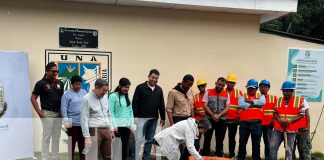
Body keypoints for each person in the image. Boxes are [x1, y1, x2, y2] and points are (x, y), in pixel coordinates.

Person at [30, 62, 64, 160]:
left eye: (57, 71)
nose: (55, 73)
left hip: (58, 114)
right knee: (46, 138)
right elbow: (33, 98)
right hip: (47, 113)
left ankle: (55, 157)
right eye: (53, 71)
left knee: (56, 138)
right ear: (47, 71)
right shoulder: (40, 83)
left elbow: (62, 99)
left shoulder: (60, 83)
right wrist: (39, 112)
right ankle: (44, 158)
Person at [132, 69, 165, 160]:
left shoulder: (159, 89)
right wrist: (135, 116)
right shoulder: (140, 87)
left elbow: (161, 104)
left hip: (153, 119)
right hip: (141, 119)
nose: (154, 79)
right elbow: (135, 102)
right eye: (153, 77)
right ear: (148, 76)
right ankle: (135, 157)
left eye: (156, 78)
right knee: (139, 139)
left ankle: (146, 157)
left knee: (149, 140)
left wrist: (163, 117)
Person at [270, 81, 307, 160]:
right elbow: (274, 112)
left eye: (288, 91)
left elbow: (302, 114)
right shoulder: (279, 100)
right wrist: (279, 120)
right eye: (284, 91)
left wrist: (289, 121)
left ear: (292, 91)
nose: (285, 93)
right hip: (278, 129)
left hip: (291, 130)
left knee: (289, 151)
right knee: (272, 147)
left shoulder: (299, 100)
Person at [80, 79, 115, 160]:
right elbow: (84, 119)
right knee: (92, 156)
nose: (105, 92)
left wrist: (111, 129)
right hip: (94, 130)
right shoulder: (86, 99)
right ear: (96, 87)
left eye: (106, 91)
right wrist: (87, 137)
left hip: (107, 130)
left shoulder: (105, 96)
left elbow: (108, 113)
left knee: (108, 156)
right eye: (103, 90)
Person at [237, 79, 265, 160]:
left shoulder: (261, 96)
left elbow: (262, 103)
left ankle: (256, 158)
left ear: (256, 88)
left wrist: (248, 102)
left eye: (252, 88)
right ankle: (241, 158)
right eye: (248, 88)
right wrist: (255, 104)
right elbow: (241, 104)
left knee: (256, 144)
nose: (250, 89)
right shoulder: (242, 95)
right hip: (244, 123)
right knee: (242, 143)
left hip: (257, 123)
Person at [201, 77, 229, 157]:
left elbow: (227, 107)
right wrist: (212, 115)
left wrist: (219, 115)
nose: (220, 86)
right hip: (209, 119)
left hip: (221, 120)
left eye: (222, 85)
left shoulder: (226, 93)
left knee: (220, 140)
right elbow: (205, 105)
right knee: (207, 138)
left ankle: (219, 156)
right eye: (219, 84)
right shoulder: (208, 92)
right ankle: (205, 156)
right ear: (216, 83)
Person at [61, 75, 87, 160]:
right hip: (72, 123)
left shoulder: (84, 92)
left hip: (82, 123)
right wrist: (66, 121)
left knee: (82, 145)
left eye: (80, 84)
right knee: (71, 145)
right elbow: (63, 108)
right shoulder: (67, 94)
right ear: (72, 84)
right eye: (76, 84)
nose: (78, 86)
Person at [109, 78, 135, 160]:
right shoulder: (113, 96)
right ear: (120, 86)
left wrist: (131, 124)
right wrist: (114, 126)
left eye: (128, 88)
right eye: (125, 87)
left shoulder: (128, 97)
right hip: (117, 127)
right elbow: (111, 112)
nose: (127, 89)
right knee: (116, 147)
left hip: (126, 126)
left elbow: (130, 112)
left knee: (125, 147)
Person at [224, 73, 243, 159]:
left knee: (232, 139)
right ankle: (219, 154)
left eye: (232, 82)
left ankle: (231, 155)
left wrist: (239, 116)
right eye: (229, 82)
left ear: (235, 83)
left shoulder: (239, 92)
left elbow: (242, 106)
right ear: (226, 82)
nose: (230, 84)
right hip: (223, 119)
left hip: (234, 120)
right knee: (220, 137)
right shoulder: (222, 92)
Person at [259, 80, 277, 160]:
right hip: (257, 124)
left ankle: (267, 158)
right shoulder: (256, 97)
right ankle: (256, 157)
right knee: (256, 143)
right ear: (259, 88)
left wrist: (273, 122)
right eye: (261, 86)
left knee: (268, 143)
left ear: (268, 88)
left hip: (268, 125)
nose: (263, 88)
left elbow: (276, 112)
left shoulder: (274, 98)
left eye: (265, 87)